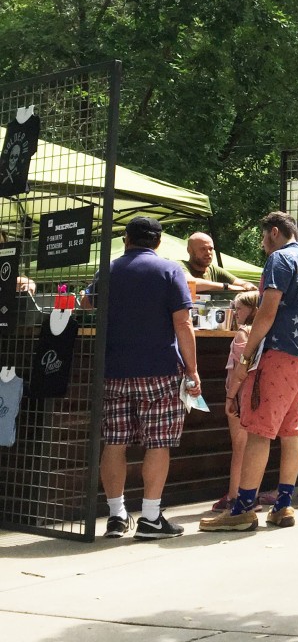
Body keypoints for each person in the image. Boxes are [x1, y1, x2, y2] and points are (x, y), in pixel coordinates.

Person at [200, 211, 298, 532]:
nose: (263, 245)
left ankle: (242, 508)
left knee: (259, 431)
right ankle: (283, 505)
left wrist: (245, 360)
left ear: (274, 232)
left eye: (263, 238)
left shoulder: (279, 260)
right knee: (291, 429)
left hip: (279, 352)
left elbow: (265, 315)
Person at [85, 215, 200, 540]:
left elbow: (87, 302)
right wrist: (192, 370)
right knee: (158, 442)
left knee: (115, 442)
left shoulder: (108, 270)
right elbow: (183, 324)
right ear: (158, 242)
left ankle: (116, 515)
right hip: (160, 369)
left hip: (114, 370)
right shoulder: (169, 270)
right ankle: (150, 518)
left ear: (126, 239)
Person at [211, 291, 259, 511]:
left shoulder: (242, 334)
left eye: (239, 308)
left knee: (239, 447)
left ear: (252, 309)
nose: (235, 312)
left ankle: (233, 496)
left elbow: (242, 368)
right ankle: (250, 495)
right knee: (251, 446)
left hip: (239, 395)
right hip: (255, 396)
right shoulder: (260, 333)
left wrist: (231, 396)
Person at [181, 231, 257, 294]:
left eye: (210, 249)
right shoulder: (180, 266)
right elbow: (191, 284)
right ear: (189, 250)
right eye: (203, 249)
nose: (208, 253)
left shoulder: (214, 270)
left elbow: (239, 283)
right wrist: (226, 287)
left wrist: (248, 286)